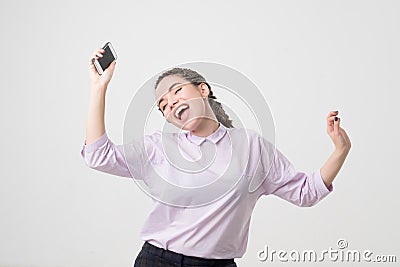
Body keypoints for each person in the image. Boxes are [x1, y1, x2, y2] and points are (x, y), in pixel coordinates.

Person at [81, 47, 351, 267]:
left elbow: (306, 192)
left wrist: (340, 151)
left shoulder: (251, 146)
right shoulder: (158, 147)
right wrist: (98, 87)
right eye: (163, 105)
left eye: (176, 91)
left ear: (203, 89)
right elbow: (98, 156)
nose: (170, 103)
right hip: (157, 260)